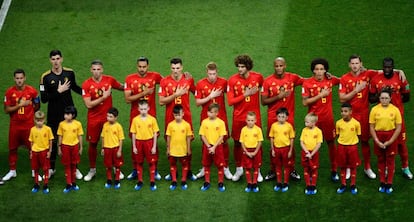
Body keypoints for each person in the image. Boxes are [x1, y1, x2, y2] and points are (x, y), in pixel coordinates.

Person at [40, 49, 83, 179]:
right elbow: (44, 98)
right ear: (50, 61)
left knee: (73, 140)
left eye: (58, 58)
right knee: (52, 141)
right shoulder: (45, 77)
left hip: (69, 113)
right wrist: (58, 91)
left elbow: (75, 87)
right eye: (53, 59)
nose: (56, 62)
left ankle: (75, 168)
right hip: (53, 114)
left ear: (62, 59)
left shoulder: (69, 73)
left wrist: (88, 94)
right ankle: (52, 168)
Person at [369, 57, 412, 180]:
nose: (387, 69)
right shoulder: (376, 79)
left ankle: (405, 167)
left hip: (397, 118)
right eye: (385, 67)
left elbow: (407, 96)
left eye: (389, 67)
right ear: (382, 67)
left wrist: (396, 105)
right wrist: (381, 96)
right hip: (382, 119)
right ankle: (386, 167)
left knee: (402, 144)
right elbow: (371, 99)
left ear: (393, 67)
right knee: (383, 144)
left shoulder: (400, 77)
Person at [82, 59, 124, 182]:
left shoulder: (109, 80)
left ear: (102, 69)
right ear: (91, 70)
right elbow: (88, 104)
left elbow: (121, 87)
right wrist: (103, 97)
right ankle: (92, 169)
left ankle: (116, 168)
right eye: (94, 69)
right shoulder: (86, 84)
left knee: (113, 143)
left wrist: (133, 85)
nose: (96, 72)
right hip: (94, 120)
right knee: (93, 144)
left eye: (98, 69)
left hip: (109, 119)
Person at [261, 57, 303, 181]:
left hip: (288, 117)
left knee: (290, 143)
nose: (278, 68)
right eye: (276, 66)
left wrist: (327, 75)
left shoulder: (293, 78)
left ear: (285, 66)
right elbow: (263, 102)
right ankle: (273, 170)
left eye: (281, 65)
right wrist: (278, 97)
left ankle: (291, 169)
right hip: (273, 117)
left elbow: (308, 81)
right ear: (274, 66)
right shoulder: (267, 81)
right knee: (274, 144)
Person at [339, 55, 379, 179]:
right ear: (349, 65)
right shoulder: (344, 79)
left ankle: (367, 167)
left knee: (365, 141)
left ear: (361, 64)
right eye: (353, 63)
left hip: (365, 114)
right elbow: (342, 99)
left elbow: (386, 71)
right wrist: (356, 90)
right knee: (349, 143)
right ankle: (349, 168)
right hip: (351, 116)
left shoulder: (368, 74)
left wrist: (400, 71)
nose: (355, 65)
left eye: (357, 63)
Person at [124, 56, 163, 180]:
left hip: (151, 117)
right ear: (137, 66)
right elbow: (127, 99)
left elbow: (168, 81)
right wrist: (144, 93)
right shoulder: (129, 79)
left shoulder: (155, 76)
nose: (142, 69)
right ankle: (136, 169)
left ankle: (155, 170)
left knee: (153, 142)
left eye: (144, 67)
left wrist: (185, 76)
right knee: (135, 143)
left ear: (148, 66)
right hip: (135, 116)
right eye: (140, 67)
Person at [302, 58, 340, 182]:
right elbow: (305, 102)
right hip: (313, 121)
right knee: (310, 145)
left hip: (328, 119)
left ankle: (334, 170)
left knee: (331, 143)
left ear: (325, 70)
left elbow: (342, 80)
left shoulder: (330, 80)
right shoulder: (307, 83)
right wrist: (320, 95)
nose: (319, 72)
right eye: (317, 69)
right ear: (313, 70)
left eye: (322, 69)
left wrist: (331, 75)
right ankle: (311, 170)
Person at [227, 54, 264, 182]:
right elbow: (230, 101)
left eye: (242, 67)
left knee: (257, 142)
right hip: (239, 117)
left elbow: (268, 85)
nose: (240, 69)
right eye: (238, 66)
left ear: (248, 67)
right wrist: (245, 94)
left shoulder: (258, 78)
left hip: (255, 118)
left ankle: (257, 170)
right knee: (237, 142)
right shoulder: (232, 80)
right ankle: (239, 168)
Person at [159, 57, 196, 181]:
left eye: (178, 68)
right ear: (171, 68)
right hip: (170, 118)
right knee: (171, 142)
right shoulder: (164, 81)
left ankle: (188, 170)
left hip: (186, 117)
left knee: (187, 141)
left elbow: (196, 93)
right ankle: (172, 171)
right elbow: (161, 101)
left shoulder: (188, 80)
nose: (175, 71)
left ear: (182, 68)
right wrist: (175, 95)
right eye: (173, 68)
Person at [194, 62, 232, 180]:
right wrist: (210, 96)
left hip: (221, 118)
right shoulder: (200, 84)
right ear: (206, 73)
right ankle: (204, 168)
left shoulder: (223, 82)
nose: (212, 76)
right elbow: (197, 102)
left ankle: (225, 167)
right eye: (210, 74)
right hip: (206, 119)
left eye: (214, 74)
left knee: (224, 142)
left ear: (217, 73)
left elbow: (231, 94)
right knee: (205, 142)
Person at [3, 69, 40, 181]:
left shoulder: (32, 91)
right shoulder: (9, 92)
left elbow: (37, 105)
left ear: (25, 78)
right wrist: (20, 105)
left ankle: (35, 171)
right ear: (14, 79)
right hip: (15, 125)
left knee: (32, 148)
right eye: (17, 78)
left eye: (21, 78)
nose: (19, 80)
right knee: (12, 148)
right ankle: (12, 171)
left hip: (28, 125)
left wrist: (31, 108)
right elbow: (6, 110)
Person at [369, 89, 402, 194]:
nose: (384, 100)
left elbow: (398, 127)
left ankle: (389, 183)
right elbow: (371, 127)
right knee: (381, 160)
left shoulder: (395, 110)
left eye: (386, 98)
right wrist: (377, 140)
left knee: (390, 160)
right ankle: (382, 182)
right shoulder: (374, 109)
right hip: (378, 136)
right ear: (379, 99)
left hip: (390, 136)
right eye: (382, 98)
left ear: (390, 98)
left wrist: (391, 141)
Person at [130, 100, 160, 191]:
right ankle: (140, 181)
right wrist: (134, 146)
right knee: (139, 162)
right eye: (141, 109)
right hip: (139, 143)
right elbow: (133, 134)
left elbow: (155, 133)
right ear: (138, 109)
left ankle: (152, 181)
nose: (143, 111)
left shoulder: (152, 119)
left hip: (149, 142)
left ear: (148, 109)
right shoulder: (135, 120)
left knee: (151, 162)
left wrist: (154, 146)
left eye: (145, 109)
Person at [199, 103, 227, 192]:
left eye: (211, 112)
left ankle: (220, 182)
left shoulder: (221, 123)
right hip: (207, 146)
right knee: (206, 165)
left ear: (217, 113)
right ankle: (207, 182)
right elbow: (202, 135)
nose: (209, 114)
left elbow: (222, 136)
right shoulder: (204, 122)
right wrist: (208, 146)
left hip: (217, 147)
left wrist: (214, 147)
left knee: (220, 165)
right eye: (209, 112)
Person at [166, 105, 193, 191]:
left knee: (185, 165)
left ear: (183, 114)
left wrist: (188, 149)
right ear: (173, 115)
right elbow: (168, 138)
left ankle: (183, 180)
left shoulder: (187, 125)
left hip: (183, 150)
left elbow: (188, 138)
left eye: (179, 115)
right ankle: (174, 180)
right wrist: (168, 149)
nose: (177, 117)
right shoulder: (170, 125)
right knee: (173, 165)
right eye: (175, 115)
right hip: (173, 150)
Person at [335, 103, 361, 195]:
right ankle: (343, 184)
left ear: (350, 112)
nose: (343, 113)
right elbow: (338, 134)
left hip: (352, 147)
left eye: (345, 111)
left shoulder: (356, 123)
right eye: (342, 111)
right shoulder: (338, 123)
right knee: (342, 166)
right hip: (341, 147)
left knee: (353, 166)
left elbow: (358, 135)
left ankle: (353, 184)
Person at [57, 106, 83, 193]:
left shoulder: (78, 124)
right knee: (67, 165)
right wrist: (59, 148)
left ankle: (74, 183)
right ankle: (68, 183)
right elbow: (60, 136)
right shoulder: (61, 124)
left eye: (68, 114)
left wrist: (81, 147)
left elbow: (80, 136)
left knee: (74, 165)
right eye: (65, 114)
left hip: (75, 146)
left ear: (73, 115)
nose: (65, 116)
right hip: (65, 147)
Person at [269, 107, 295, 192]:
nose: (281, 118)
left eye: (283, 117)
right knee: (278, 165)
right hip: (276, 149)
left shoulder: (289, 126)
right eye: (279, 116)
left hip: (286, 149)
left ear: (287, 117)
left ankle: (286, 182)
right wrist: (272, 149)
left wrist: (290, 150)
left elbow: (291, 138)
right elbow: (272, 138)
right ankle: (279, 182)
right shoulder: (273, 126)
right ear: (276, 117)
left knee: (286, 166)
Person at [29, 111, 53, 194]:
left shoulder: (48, 129)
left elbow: (50, 141)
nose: (39, 122)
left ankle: (45, 185)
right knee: (35, 169)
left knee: (45, 169)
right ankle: (36, 184)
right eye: (37, 120)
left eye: (41, 120)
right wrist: (31, 152)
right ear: (34, 120)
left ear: (44, 120)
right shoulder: (32, 129)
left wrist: (49, 151)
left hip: (44, 151)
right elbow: (31, 142)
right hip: (35, 152)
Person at [101, 107, 125, 189]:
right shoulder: (105, 125)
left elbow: (121, 139)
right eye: (107, 116)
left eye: (110, 116)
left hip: (115, 148)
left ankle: (117, 180)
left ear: (116, 117)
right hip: (107, 149)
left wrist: (120, 150)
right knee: (108, 166)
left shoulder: (118, 127)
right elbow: (103, 137)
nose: (108, 118)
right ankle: (109, 180)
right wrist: (103, 148)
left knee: (117, 166)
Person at [240, 111, 263, 192]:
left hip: (255, 151)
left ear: (255, 120)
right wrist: (246, 152)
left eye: (252, 120)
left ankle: (255, 183)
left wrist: (255, 152)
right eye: (249, 120)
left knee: (256, 167)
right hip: (247, 151)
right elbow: (242, 142)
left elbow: (260, 142)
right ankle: (249, 183)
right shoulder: (243, 130)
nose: (250, 122)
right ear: (246, 120)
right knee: (248, 168)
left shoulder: (258, 129)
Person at [300, 113, 323, 195]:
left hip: (314, 154)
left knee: (314, 169)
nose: (305, 123)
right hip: (305, 153)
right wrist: (306, 152)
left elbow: (318, 144)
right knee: (306, 168)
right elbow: (301, 142)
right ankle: (308, 185)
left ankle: (313, 185)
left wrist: (312, 154)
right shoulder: (304, 130)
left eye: (307, 122)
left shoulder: (318, 131)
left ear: (313, 123)